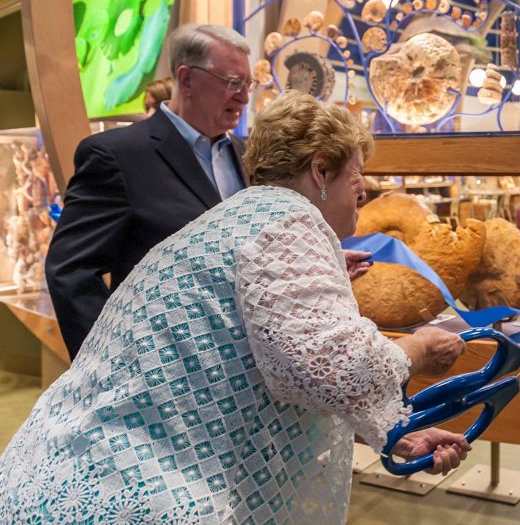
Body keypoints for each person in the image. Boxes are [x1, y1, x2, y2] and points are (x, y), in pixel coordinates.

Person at [0, 91, 471, 523]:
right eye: (358, 189)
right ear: (321, 170)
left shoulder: (230, 221)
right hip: (134, 496)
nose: (357, 209)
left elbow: (272, 363)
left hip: (64, 474)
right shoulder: (290, 222)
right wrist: (419, 349)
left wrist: (397, 433)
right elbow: (331, 369)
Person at [46, 24, 253, 359]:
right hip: (161, 369)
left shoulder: (248, 155)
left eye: (247, 85)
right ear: (186, 80)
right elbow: (71, 271)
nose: (243, 97)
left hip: (239, 367)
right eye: (232, 83)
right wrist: (111, 361)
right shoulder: (117, 156)